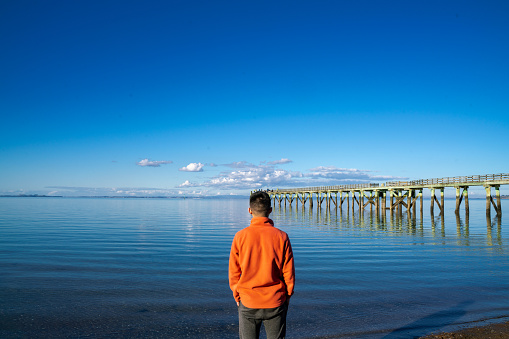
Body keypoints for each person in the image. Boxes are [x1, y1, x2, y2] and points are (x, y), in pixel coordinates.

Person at [229, 191, 295, 339]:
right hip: (275, 301)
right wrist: (288, 295)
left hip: (248, 301)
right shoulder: (282, 236)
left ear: (249, 210)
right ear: (270, 210)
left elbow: (234, 271)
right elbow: (288, 272)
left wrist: (237, 295)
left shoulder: (240, 236)